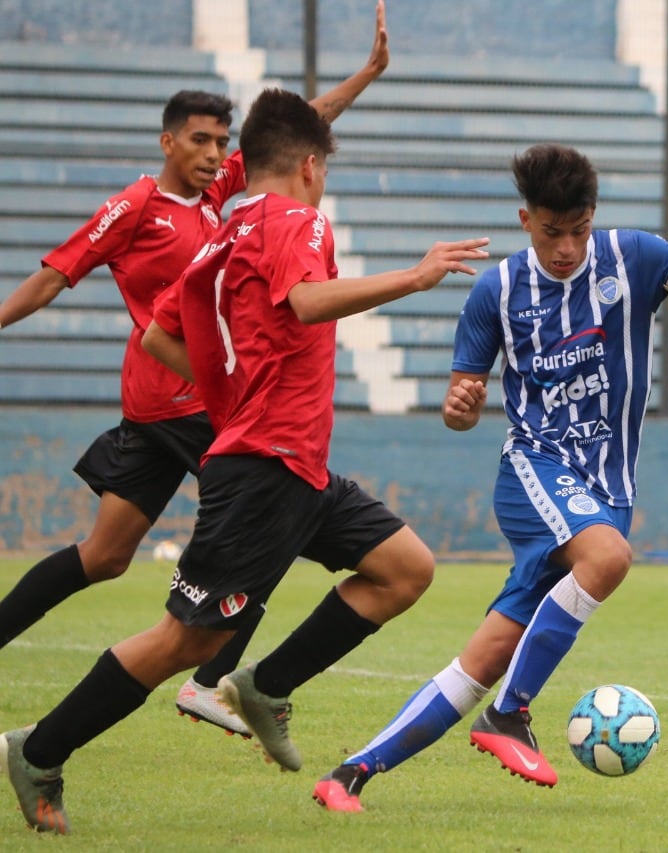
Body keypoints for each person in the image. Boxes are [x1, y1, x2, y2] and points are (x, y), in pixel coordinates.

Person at [0, 87, 490, 835]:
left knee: (405, 568)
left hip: (292, 464)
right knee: (182, 642)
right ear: (311, 166)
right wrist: (413, 278)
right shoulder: (297, 219)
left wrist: (232, 391)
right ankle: (39, 748)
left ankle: (265, 685)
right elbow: (305, 301)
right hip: (263, 467)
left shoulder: (219, 235)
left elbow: (159, 338)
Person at [311, 142, 668, 812]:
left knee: (487, 656)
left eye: (578, 230)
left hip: (603, 493)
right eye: (553, 233)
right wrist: (459, 407)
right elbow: (462, 403)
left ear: (593, 218)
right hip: (533, 472)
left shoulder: (633, 258)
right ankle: (510, 714)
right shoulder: (496, 290)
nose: (567, 247)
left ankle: (349, 773)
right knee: (609, 557)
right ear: (526, 220)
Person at [0, 0, 395, 740]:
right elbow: (57, 273)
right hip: (181, 402)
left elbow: (295, 133)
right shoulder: (134, 207)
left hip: (187, 402)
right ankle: (213, 681)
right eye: (201, 141)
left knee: (105, 556)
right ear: (168, 141)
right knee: (278, 506)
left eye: (221, 141)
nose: (216, 154)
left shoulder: (221, 200)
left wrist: (364, 76)